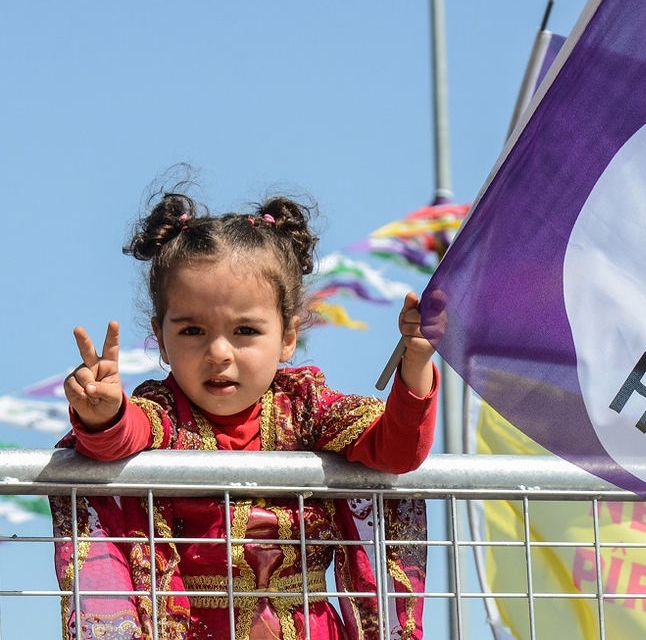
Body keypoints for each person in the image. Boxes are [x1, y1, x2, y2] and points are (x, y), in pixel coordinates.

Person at [51, 192, 438, 640]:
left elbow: (397, 449)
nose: (219, 353)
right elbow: (121, 437)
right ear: (159, 336)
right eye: (193, 330)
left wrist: (415, 365)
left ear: (288, 336)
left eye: (245, 331)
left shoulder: (307, 406)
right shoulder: (163, 409)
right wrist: (105, 413)